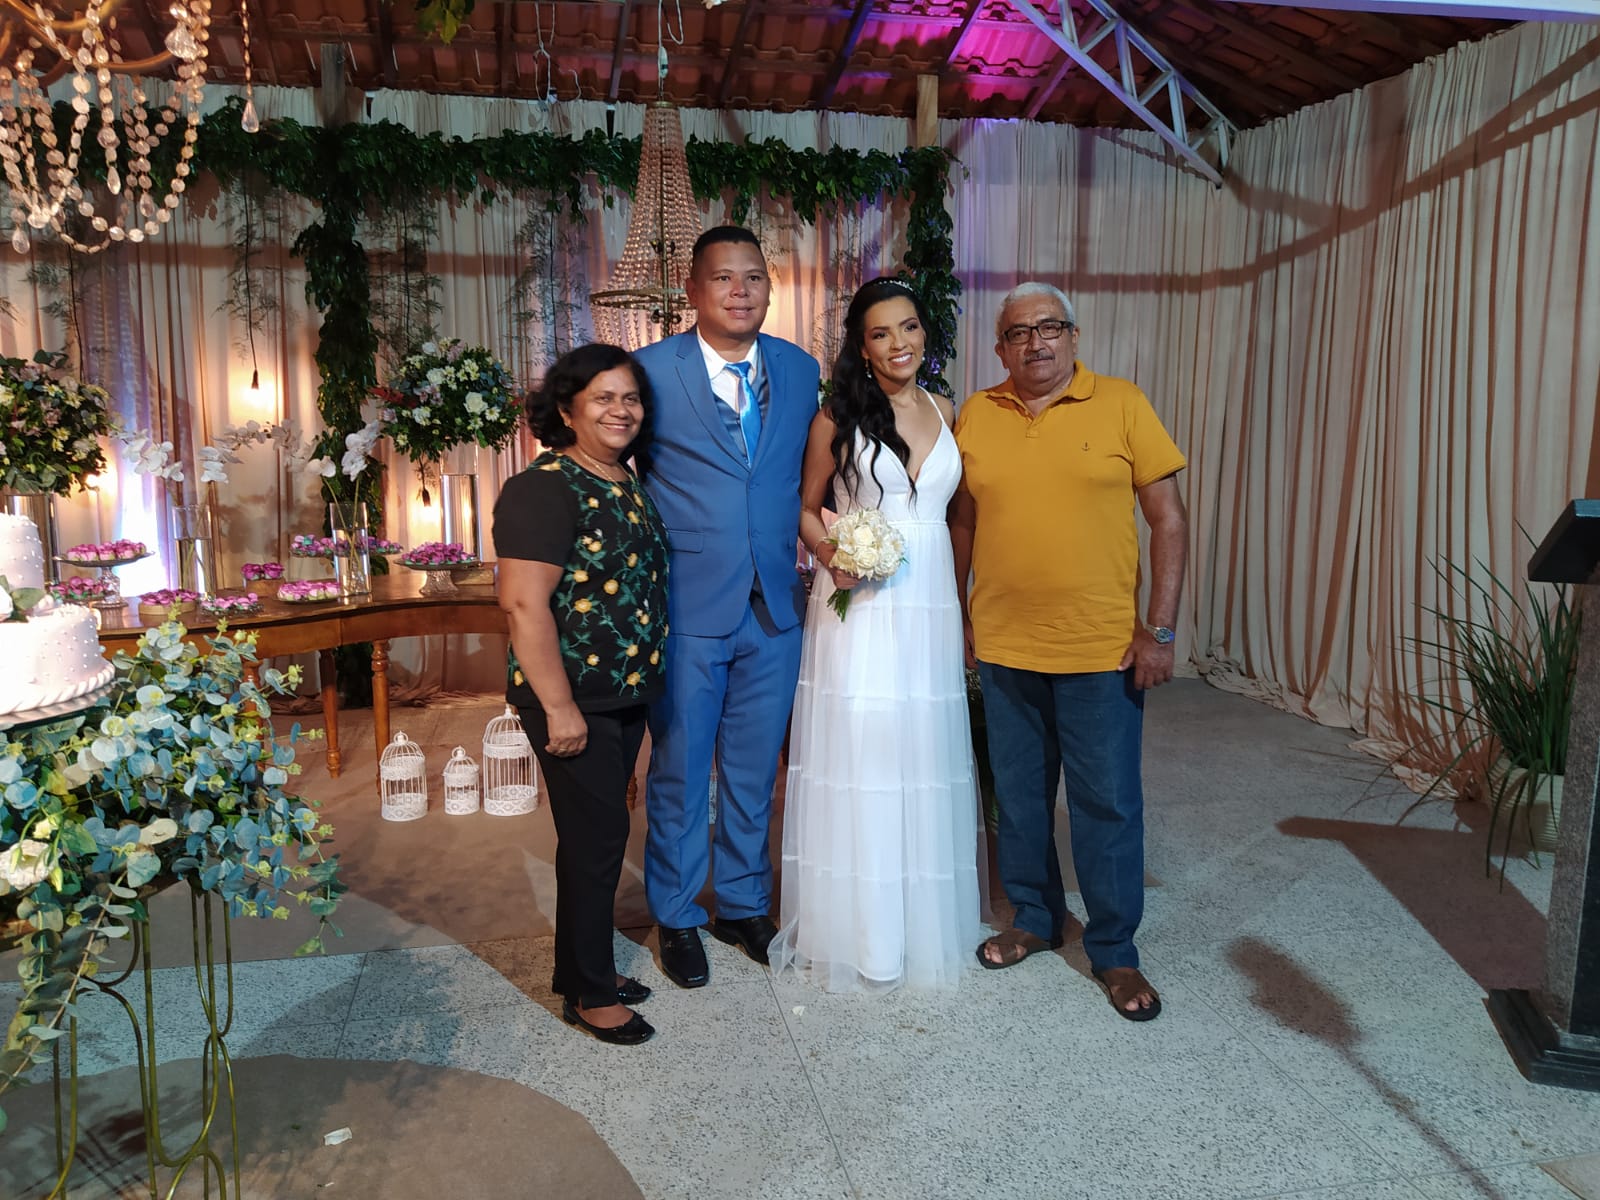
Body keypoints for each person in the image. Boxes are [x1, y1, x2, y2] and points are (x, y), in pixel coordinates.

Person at [950, 282, 1188, 1022]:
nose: (1036, 342)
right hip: (1005, 645)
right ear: (1000, 349)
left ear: (1074, 337)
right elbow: (962, 520)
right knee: (1019, 797)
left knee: (1105, 802)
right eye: (1019, 332)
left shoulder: (1122, 403)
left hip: (1102, 650)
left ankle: (1113, 949)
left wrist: (1160, 630)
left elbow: (1169, 520)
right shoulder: (977, 413)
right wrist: (957, 614)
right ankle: (1035, 917)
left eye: (1050, 327)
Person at [769, 277, 984, 992]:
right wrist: (834, 557)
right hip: (860, 607)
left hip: (931, 606)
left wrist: (963, 603)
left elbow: (958, 517)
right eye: (882, 333)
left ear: (926, 334)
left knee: (923, 750)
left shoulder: (946, 408)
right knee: (865, 752)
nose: (900, 344)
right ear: (861, 348)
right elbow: (805, 509)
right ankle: (862, 933)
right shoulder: (837, 418)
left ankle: (921, 923)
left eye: (911, 327)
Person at [633, 226, 822, 988]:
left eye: (753, 277)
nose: (740, 291)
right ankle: (677, 913)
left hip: (774, 605)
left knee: (753, 770)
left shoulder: (801, 370)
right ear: (693, 290)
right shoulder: (650, 371)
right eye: (723, 278)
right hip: (686, 606)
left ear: (769, 288)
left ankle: (743, 903)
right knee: (680, 770)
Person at [493, 343, 670, 1045]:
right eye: (603, 398)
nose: (621, 410)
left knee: (596, 838)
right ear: (567, 409)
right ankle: (591, 994)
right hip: (573, 697)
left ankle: (582, 968)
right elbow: (522, 604)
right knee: (597, 842)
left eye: (630, 398)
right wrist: (560, 707)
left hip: (620, 691)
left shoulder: (623, 477)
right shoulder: (544, 487)